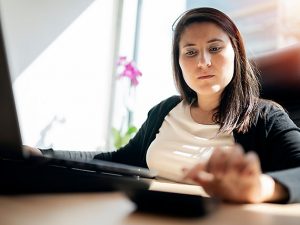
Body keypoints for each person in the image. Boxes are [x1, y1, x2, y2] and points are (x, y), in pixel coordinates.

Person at [25, 7, 300, 204]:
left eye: (215, 48)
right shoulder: (164, 111)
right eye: (190, 52)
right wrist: (42, 154)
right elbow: (115, 160)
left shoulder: (266, 117)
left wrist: (261, 188)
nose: (203, 61)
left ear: (236, 52)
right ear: (179, 63)